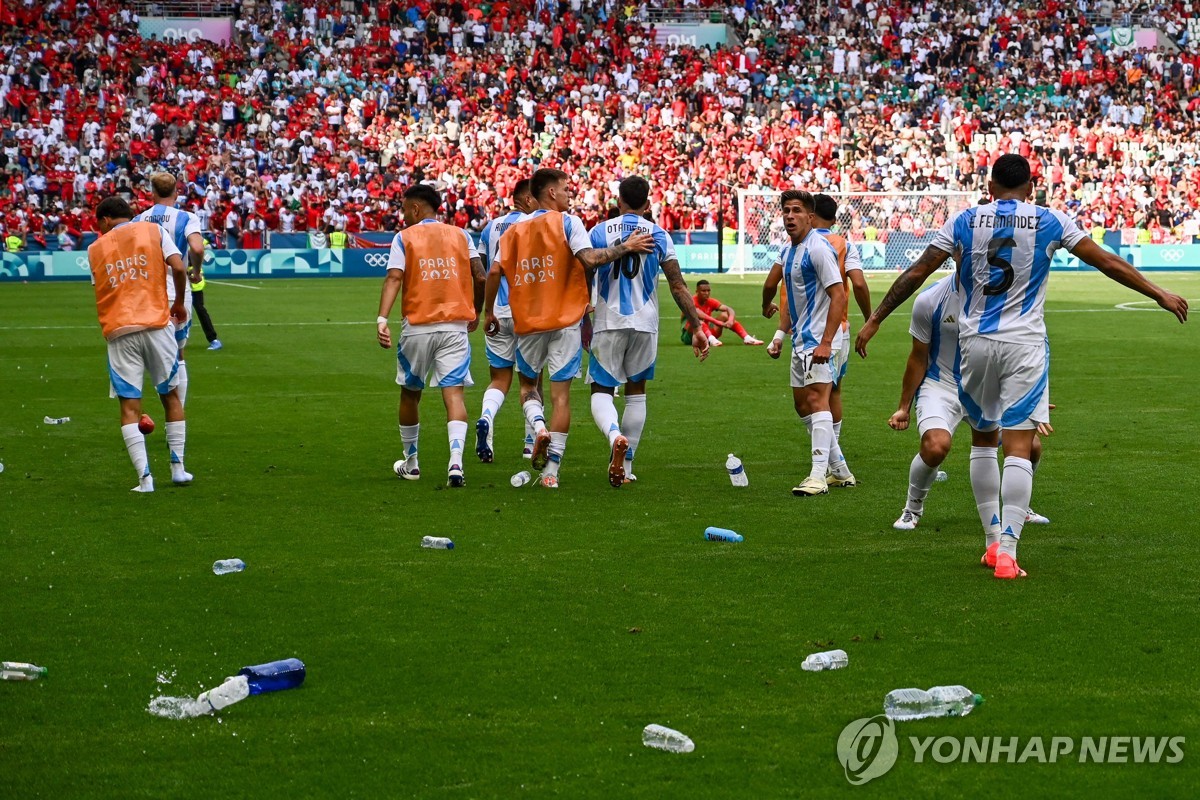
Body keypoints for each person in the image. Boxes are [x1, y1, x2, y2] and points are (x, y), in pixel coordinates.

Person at [856, 154, 1188, 579]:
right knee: (1018, 446)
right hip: (1024, 345)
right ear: (1031, 188)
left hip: (975, 345)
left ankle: (992, 544)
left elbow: (918, 272)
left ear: (989, 187)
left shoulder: (963, 221)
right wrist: (1157, 292)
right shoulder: (1051, 220)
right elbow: (1106, 261)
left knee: (981, 443)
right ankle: (1009, 553)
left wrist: (876, 317)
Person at [483, 167, 654, 489]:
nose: (569, 194)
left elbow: (493, 273)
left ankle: (538, 426)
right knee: (561, 398)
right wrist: (625, 248)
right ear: (550, 193)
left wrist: (489, 312)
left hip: (528, 322)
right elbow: (589, 260)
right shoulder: (568, 222)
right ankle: (551, 472)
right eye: (565, 189)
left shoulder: (511, 233)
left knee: (528, 388)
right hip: (566, 321)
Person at [887, 274, 1053, 530]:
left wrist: (1030, 395)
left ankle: (1020, 507)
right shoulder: (930, 299)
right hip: (941, 385)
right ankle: (912, 508)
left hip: (986, 386)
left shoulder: (1003, 298)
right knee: (935, 446)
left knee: (1030, 446)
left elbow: (1022, 348)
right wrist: (903, 407)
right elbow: (918, 357)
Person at [586, 176, 709, 486]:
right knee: (636, 394)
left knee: (601, 390)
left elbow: (583, 273)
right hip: (645, 322)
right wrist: (696, 326)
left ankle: (615, 436)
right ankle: (626, 469)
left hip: (607, 321)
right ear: (648, 203)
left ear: (618, 201)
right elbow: (678, 285)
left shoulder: (598, 232)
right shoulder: (659, 234)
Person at [377, 184, 485, 488]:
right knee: (454, 395)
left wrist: (382, 318)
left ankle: (411, 463)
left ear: (414, 209)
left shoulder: (404, 237)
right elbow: (480, 275)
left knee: (411, 393)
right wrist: (476, 311)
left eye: (403, 209)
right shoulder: (461, 234)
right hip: (454, 326)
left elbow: (394, 277)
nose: (402, 215)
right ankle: (455, 464)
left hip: (418, 326)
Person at [764, 193, 872, 487]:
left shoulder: (820, 249)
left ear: (809, 216)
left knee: (818, 398)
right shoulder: (789, 252)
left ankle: (817, 476)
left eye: (796, 210)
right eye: (785, 210)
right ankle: (840, 469)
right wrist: (779, 334)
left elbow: (839, 293)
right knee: (803, 405)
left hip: (822, 338)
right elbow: (790, 300)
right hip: (801, 338)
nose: (789, 215)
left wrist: (826, 342)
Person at [86, 196, 192, 492]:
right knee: (170, 395)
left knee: (130, 407)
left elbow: (102, 286)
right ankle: (178, 468)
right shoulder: (153, 231)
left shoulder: (95, 249)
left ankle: (145, 480)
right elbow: (179, 268)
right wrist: (180, 304)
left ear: (106, 220)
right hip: (157, 324)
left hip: (119, 330)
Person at [474, 178, 537, 463]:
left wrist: (483, 310)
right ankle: (529, 442)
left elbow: (485, 273)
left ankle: (487, 418)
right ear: (526, 200)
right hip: (527, 313)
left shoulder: (490, 228)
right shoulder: (534, 225)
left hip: (497, 313)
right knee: (531, 382)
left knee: (499, 379)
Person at [133, 173, 206, 405]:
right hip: (177, 287)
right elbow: (197, 248)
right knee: (178, 353)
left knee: (146, 352)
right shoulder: (187, 217)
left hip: (148, 289)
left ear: (152, 193)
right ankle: (176, 415)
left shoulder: (140, 219)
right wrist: (195, 271)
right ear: (176, 192)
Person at [685, 279, 763, 347]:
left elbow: (729, 309)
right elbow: (701, 315)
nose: (706, 293)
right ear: (697, 291)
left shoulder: (710, 301)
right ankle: (711, 340)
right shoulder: (691, 302)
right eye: (703, 291)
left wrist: (730, 320)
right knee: (698, 322)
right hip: (691, 335)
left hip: (707, 332)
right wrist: (719, 323)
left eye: (708, 290)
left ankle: (747, 338)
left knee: (725, 315)